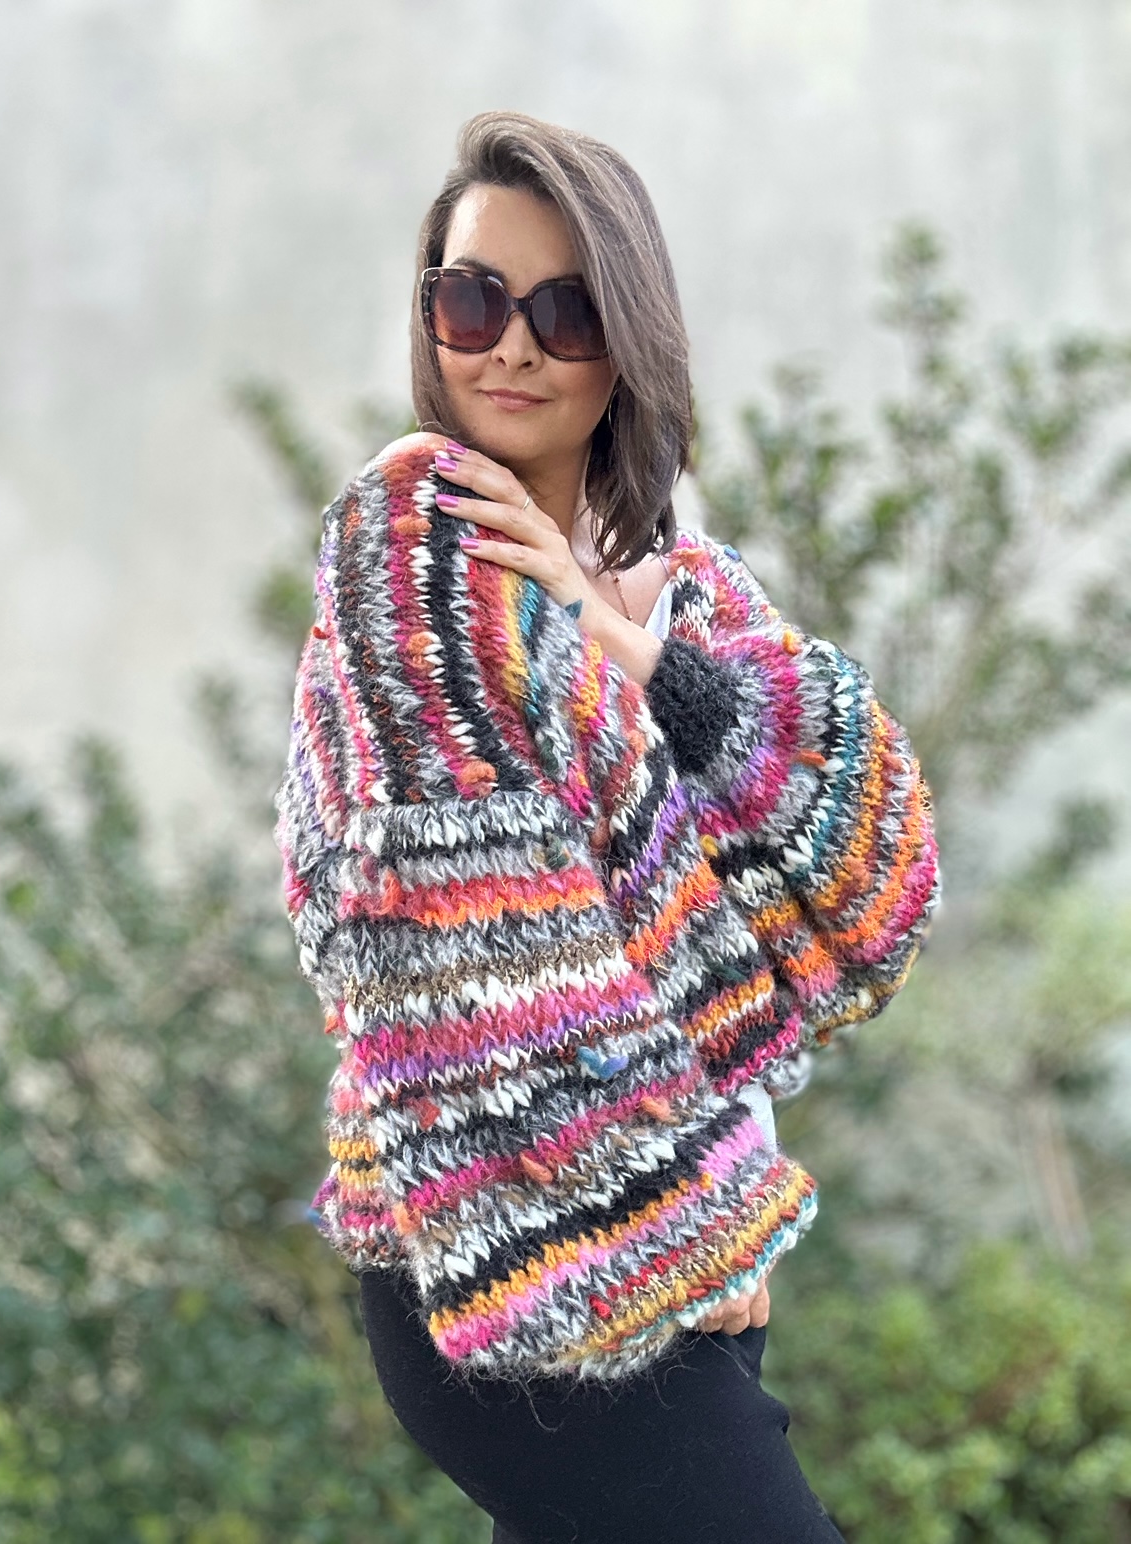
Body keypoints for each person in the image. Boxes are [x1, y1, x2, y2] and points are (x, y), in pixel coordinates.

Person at [275, 110, 940, 1543]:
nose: (510, 348)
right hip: (526, 1250)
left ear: (628, 336)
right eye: (473, 300)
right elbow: (478, 976)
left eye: (564, 311)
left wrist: (632, 652)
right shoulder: (417, 544)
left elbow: (874, 878)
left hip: (680, 1245)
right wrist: (699, 1223)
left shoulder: (681, 578)